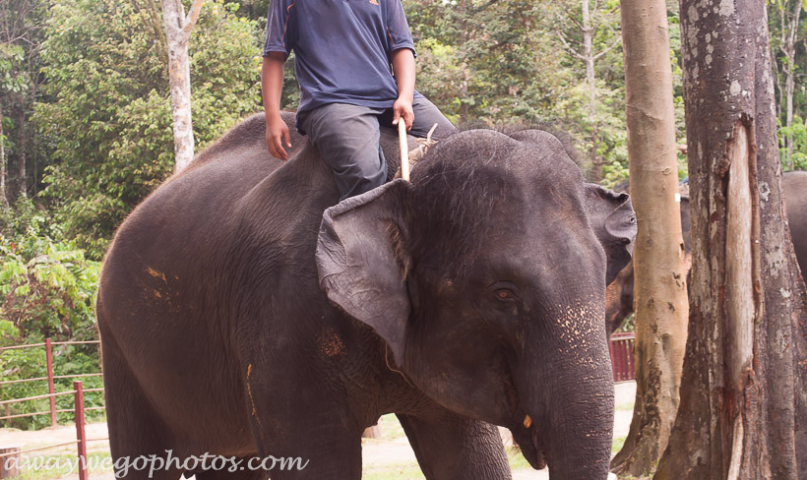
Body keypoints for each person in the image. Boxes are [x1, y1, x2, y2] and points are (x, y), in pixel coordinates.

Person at [261, 0, 456, 201]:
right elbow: (275, 56)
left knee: (460, 148)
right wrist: (272, 118)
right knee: (366, 174)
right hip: (332, 99)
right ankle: (351, 230)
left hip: (390, 93)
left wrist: (405, 96)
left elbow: (401, 47)